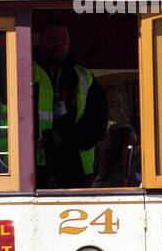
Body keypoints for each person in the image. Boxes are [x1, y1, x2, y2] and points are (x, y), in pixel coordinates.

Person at [33, 16, 108, 188]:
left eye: (64, 38)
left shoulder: (84, 76)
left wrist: (63, 137)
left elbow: (98, 123)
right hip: (34, 164)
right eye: (52, 38)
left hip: (77, 166)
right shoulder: (24, 70)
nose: (58, 43)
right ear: (40, 40)